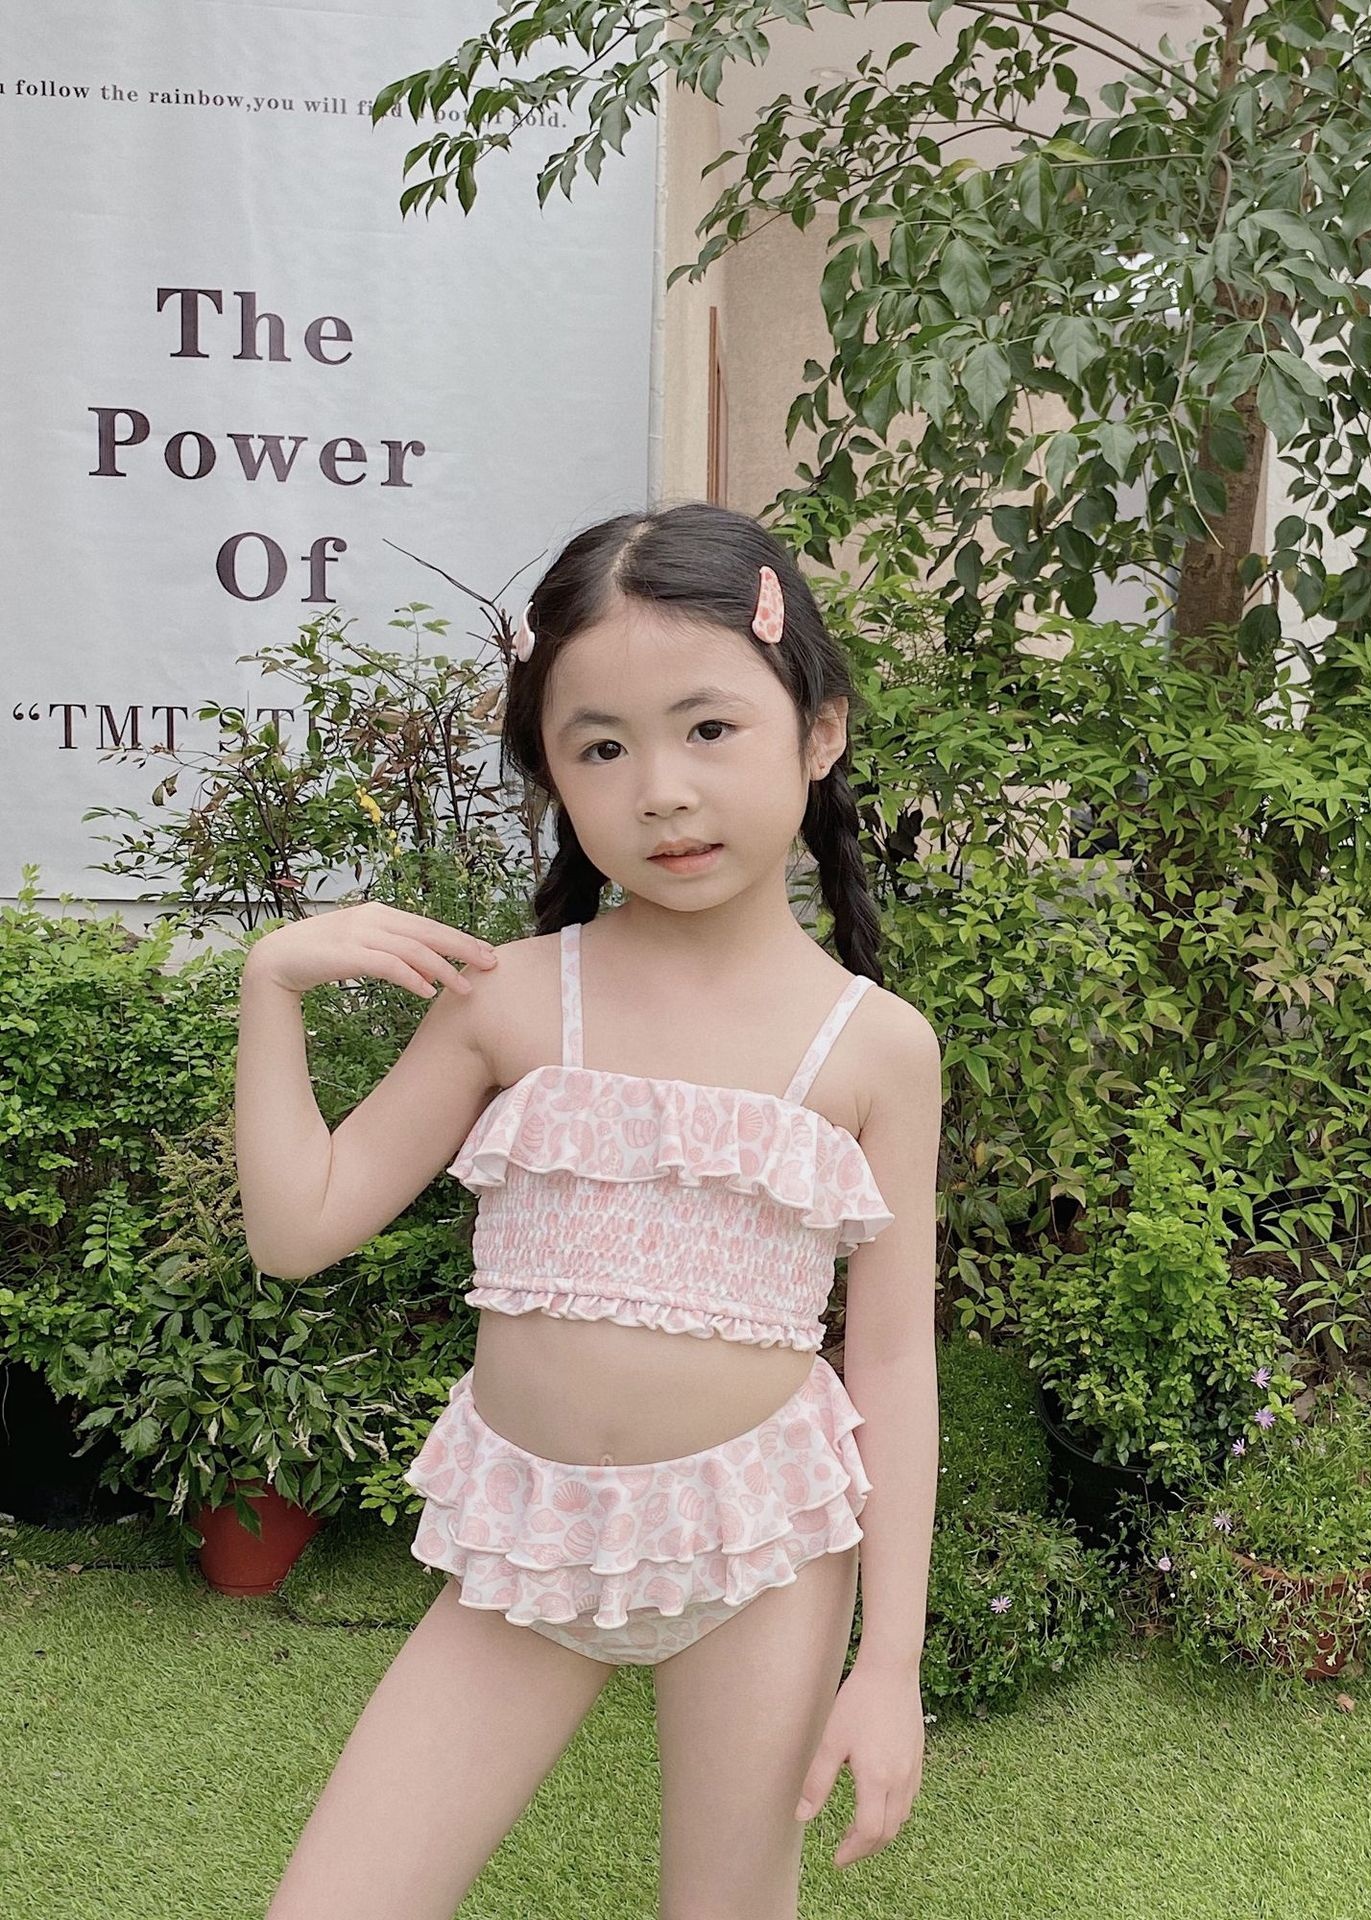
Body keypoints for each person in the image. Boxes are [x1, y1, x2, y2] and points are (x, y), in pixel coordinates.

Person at [237, 502, 943, 1920]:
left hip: (763, 1550)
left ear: (819, 732)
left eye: (709, 729)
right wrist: (272, 989)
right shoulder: (510, 998)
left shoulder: (874, 1049)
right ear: (553, 773)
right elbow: (296, 1230)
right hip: (530, 1540)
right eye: (602, 748)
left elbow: (891, 1359)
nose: (662, 792)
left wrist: (889, 1669)